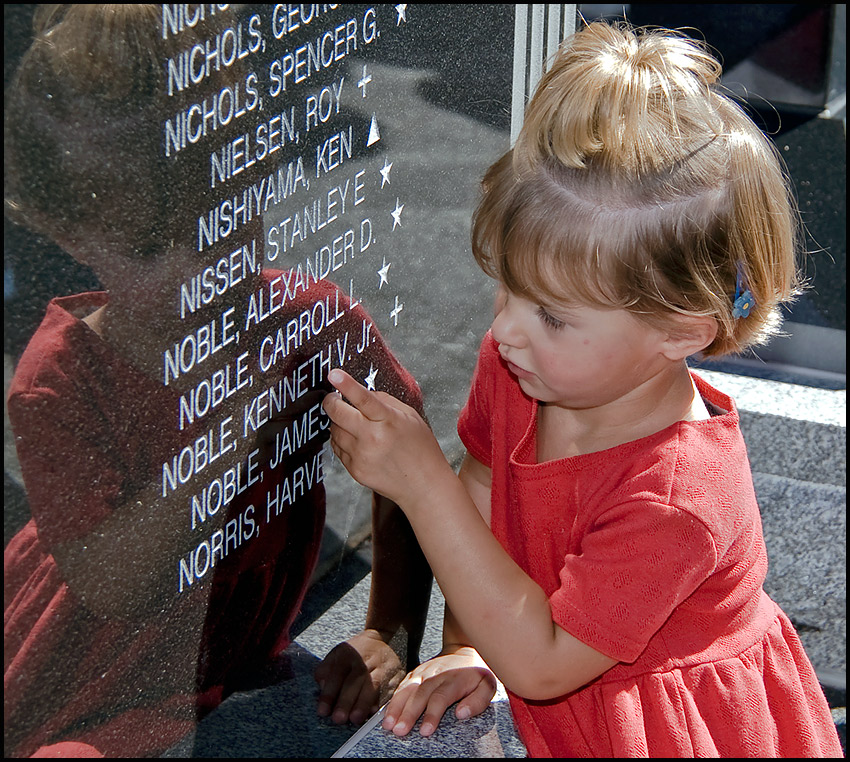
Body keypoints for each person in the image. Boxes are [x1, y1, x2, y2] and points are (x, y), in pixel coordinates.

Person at [322, 21, 843, 758]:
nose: (507, 331)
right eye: (507, 291)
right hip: (543, 659)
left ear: (682, 331)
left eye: (553, 316)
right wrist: (472, 648)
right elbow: (483, 498)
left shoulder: (679, 497)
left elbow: (541, 663)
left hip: (658, 726)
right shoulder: (520, 363)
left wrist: (418, 485)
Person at [4, 5, 431, 757]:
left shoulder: (310, 320)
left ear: (258, 177)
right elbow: (110, 585)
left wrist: (388, 630)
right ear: (65, 233)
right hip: (98, 675)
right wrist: (226, 431)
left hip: (229, 652)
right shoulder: (61, 380)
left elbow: (412, 458)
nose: (200, 272)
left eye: (220, 223)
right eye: (146, 247)